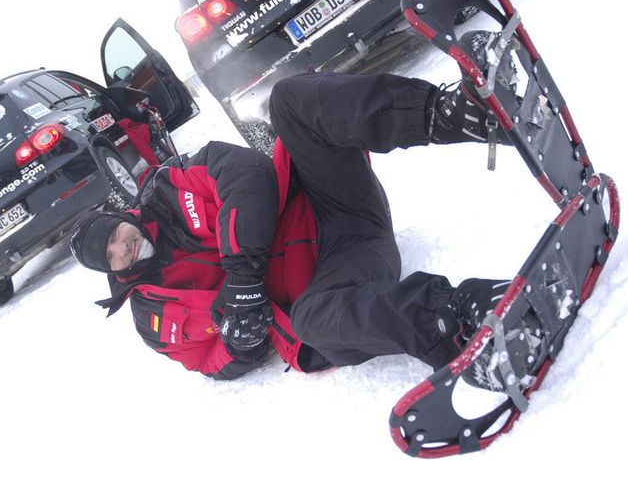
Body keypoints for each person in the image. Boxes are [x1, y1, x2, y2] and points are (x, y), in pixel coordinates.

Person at [69, 31, 543, 388]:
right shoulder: (153, 314)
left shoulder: (171, 190)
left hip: (330, 197)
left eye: (116, 233)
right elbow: (210, 361)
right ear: (111, 270)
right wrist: (242, 337)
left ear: (123, 217)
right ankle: (464, 318)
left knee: (289, 100)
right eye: (112, 254)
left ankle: (456, 111)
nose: (123, 245)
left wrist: (243, 277)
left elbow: (248, 175)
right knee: (312, 324)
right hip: (343, 271)